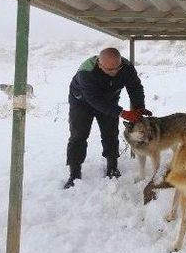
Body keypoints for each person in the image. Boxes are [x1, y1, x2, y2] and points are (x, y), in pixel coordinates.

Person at [64, 48, 151, 189]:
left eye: (116, 68)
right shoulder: (86, 72)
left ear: (121, 63)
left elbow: (135, 88)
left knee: (110, 133)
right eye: (109, 70)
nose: (113, 73)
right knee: (78, 135)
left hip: (109, 100)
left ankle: (112, 167)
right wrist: (121, 113)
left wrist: (139, 107)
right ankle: (74, 173)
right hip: (82, 102)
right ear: (99, 63)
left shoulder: (127, 68)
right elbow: (94, 100)